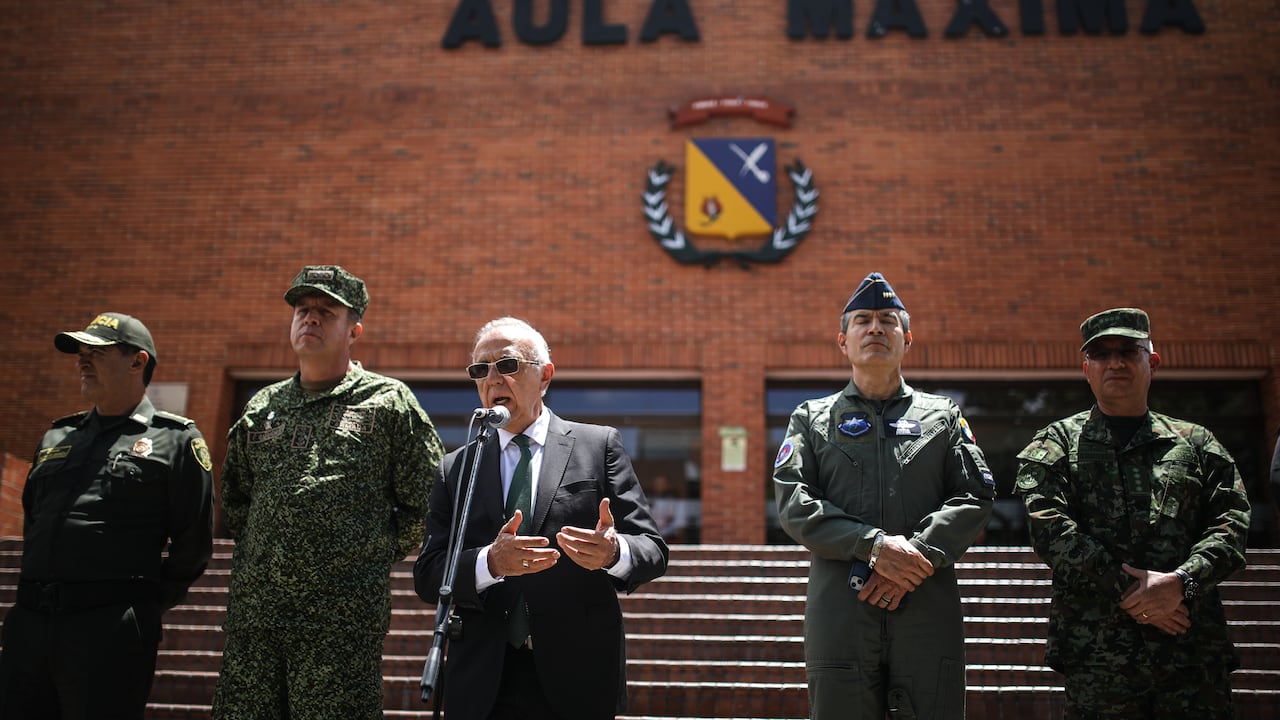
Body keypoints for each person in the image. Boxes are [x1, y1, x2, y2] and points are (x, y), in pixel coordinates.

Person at [212, 265, 444, 719]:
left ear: (354, 330)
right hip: (256, 620)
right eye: (302, 309)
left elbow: (429, 500)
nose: (310, 318)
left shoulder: (388, 402)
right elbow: (237, 500)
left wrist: (370, 549)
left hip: (340, 624)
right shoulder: (263, 406)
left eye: (326, 311)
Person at [413, 316, 669, 720]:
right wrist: (490, 562)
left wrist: (613, 552)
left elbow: (652, 549)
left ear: (545, 376)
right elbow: (429, 574)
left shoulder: (598, 445)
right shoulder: (456, 467)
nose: (493, 379)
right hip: (482, 679)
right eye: (480, 369)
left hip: (578, 674)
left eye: (507, 365)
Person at [773, 272, 994, 720]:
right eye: (863, 320)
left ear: (907, 339)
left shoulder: (942, 416)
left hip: (927, 606)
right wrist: (872, 545)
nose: (875, 328)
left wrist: (916, 555)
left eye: (888, 321)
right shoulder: (811, 418)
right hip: (842, 610)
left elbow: (974, 494)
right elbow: (794, 502)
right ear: (843, 341)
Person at [1015, 307, 1251, 718]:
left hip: (1191, 652)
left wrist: (1182, 583)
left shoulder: (1196, 443)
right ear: (1086, 369)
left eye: (1128, 351)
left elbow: (1231, 522)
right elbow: (1050, 529)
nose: (1115, 363)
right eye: (1101, 354)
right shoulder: (1057, 443)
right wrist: (1133, 590)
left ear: (1152, 362)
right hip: (1098, 656)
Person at [0, 312, 214, 719]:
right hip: (30, 623)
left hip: (109, 629)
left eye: (97, 351)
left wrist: (140, 606)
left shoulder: (175, 440)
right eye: (80, 351)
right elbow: (34, 519)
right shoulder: (57, 435)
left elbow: (194, 543)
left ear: (138, 361)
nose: (82, 359)